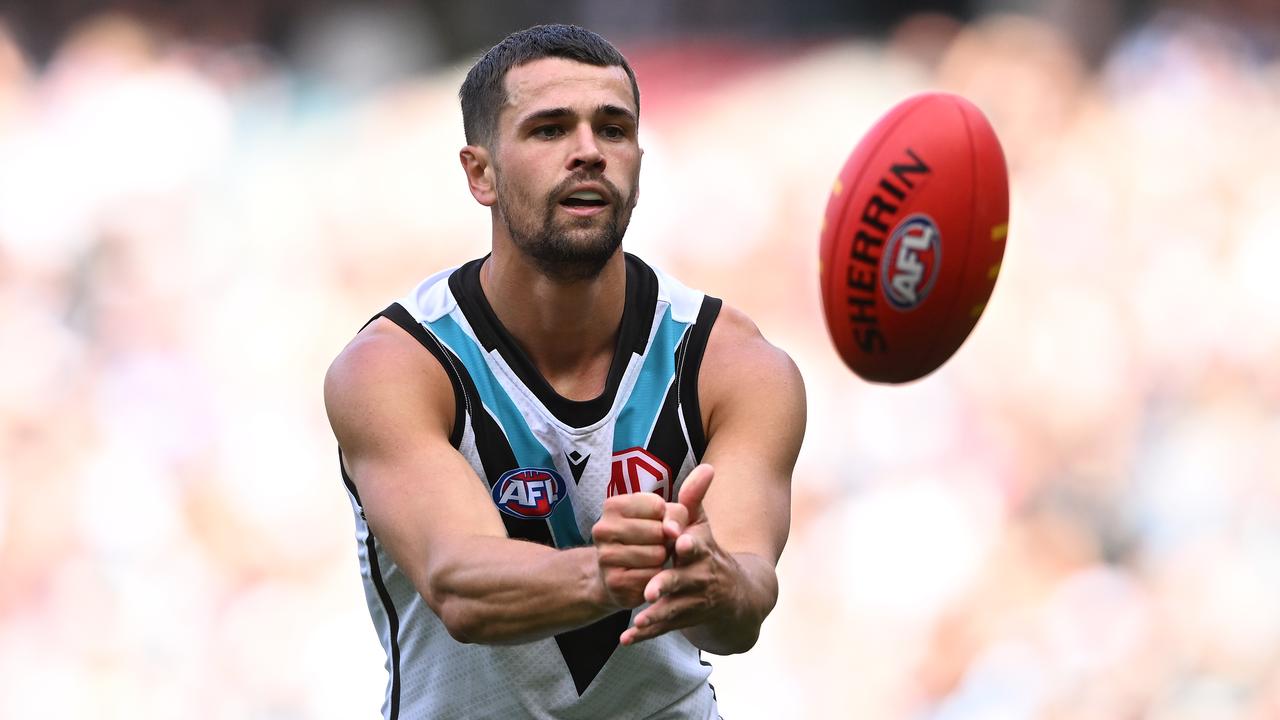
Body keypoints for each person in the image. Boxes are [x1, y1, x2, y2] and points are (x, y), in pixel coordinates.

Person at [324, 23, 806, 720]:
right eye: (549, 130)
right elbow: (460, 585)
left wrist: (712, 580)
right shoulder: (396, 364)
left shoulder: (733, 362)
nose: (589, 151)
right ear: (480, 174)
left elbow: (742, 610)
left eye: (613, 130)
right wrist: (613, 573)